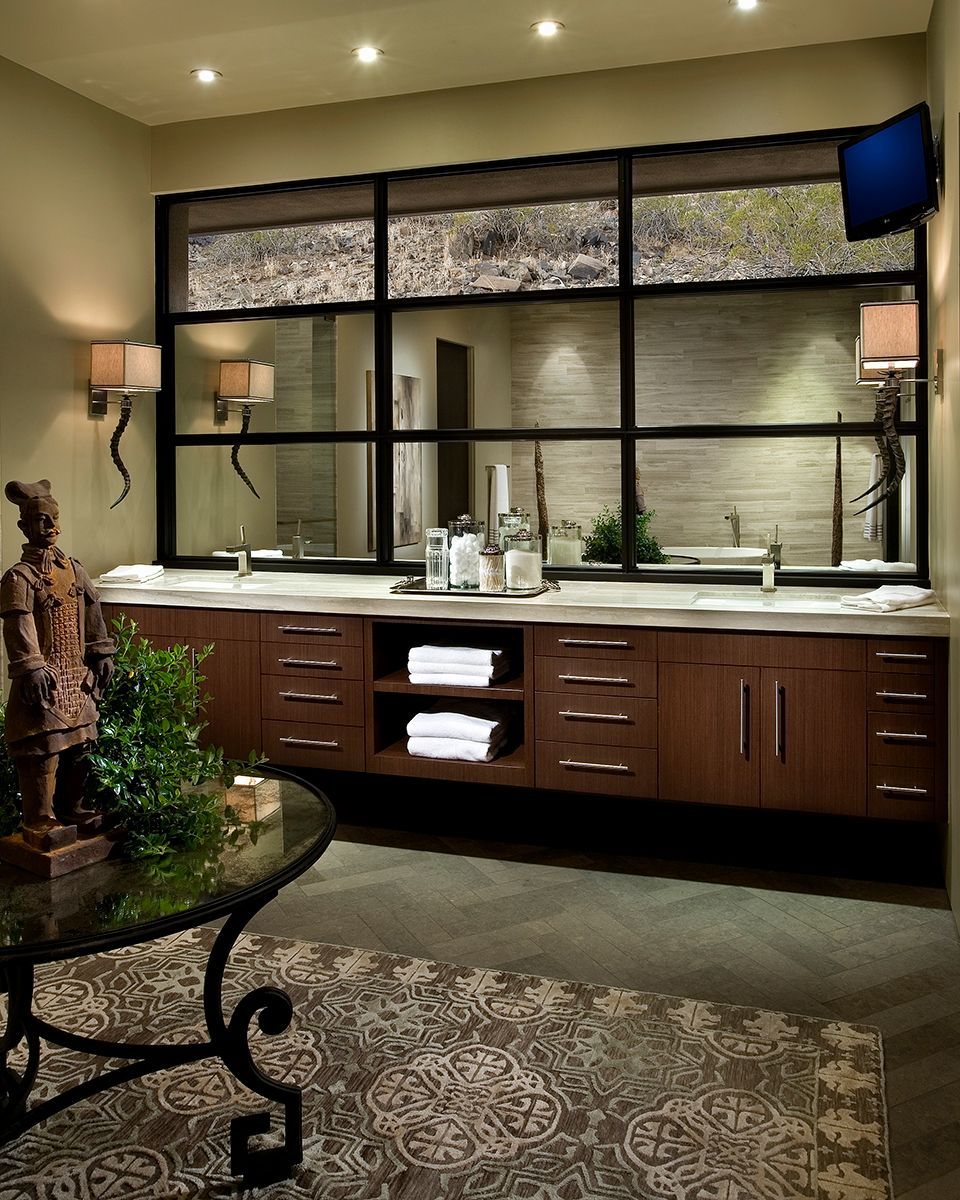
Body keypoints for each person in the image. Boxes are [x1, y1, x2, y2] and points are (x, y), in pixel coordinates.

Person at [1, 480, 115, 849]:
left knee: (81, 745)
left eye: (55, 519)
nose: (53, 528)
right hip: (45, 682)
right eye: (43, 521)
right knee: (42, 751)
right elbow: (18, 624)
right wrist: (32, 665)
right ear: (25, 527)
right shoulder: (19, 577)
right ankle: (39, 819)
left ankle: (72, 807)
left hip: (75, 677)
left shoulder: (75, 570)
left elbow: (93, 611)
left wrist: (100, 651)